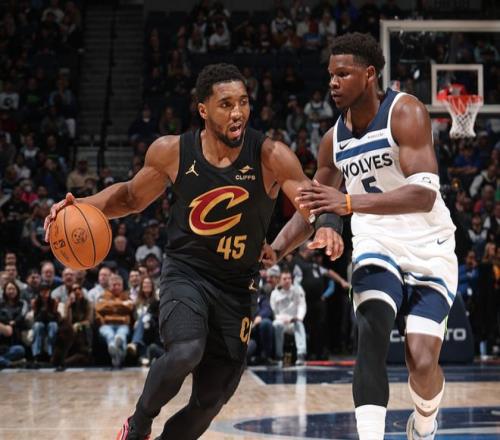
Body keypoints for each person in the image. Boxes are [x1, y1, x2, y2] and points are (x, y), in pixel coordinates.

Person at [44, 63, 341, 440]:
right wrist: (80, 206)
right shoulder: (173, 151)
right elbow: (130, 197)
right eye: (226, 104)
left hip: (238, 286)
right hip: (188, 273)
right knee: (186, 350)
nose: (238, 112)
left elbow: (311, 202)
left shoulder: (270, 155)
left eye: (243, 102)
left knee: (212, 397)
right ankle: (137, 426)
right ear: (203, 109)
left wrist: (323, 227)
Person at [273, 33, 458, 439]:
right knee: (371, 331)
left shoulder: (405, 112)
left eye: (343, 74)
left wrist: (349, 203)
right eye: (330, 74)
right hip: (375, 243)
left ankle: (424, 423)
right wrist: (275, 249)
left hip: (430, 247)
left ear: (369, 74)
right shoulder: (332, 141)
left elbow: (424, 195)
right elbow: (315, 205)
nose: (333, 82)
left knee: (421, 363)